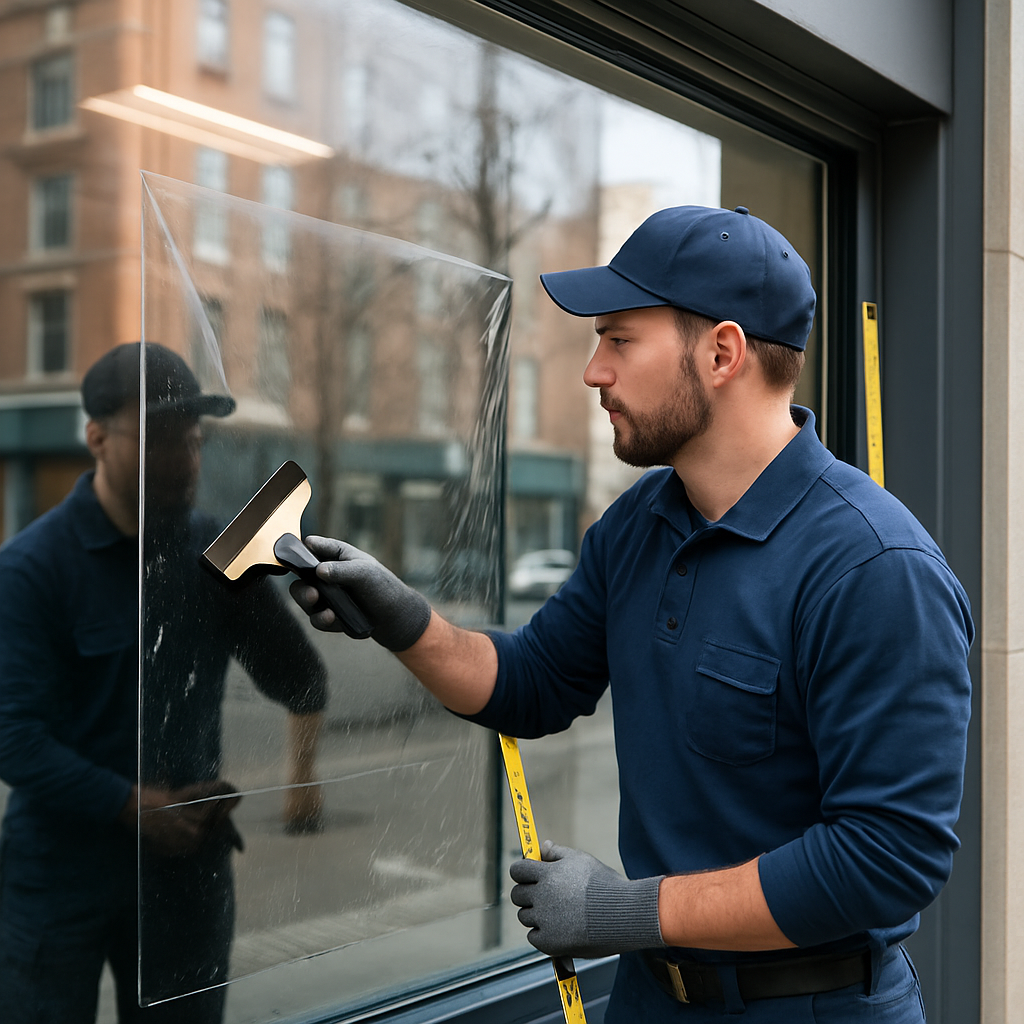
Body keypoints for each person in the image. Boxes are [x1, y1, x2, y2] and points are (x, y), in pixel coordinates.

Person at [288, 206, 973, 1021]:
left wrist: (624, 912)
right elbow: (533, 685)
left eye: (619, 340)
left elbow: (885, 858)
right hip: (652, 1001)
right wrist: (403, 619)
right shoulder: (640, 522)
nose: (592, 372)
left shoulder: (872, 569)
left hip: (812, 1008)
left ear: (722, 352)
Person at [0, 343, 328, 1023]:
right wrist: (134, 805)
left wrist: (264, 588)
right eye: (159, 438)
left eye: (193, 439)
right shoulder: (31, 569)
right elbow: (13, 739)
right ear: (96, 438)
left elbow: (301, 683)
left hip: (187, 873)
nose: (185, 459)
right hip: (60, 877)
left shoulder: (212, 553)